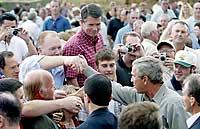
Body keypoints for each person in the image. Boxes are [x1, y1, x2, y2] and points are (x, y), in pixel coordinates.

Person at [81, 56, 189, 129]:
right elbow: (113, 87)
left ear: (145, 79)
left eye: (133, 76)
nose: (131, 80)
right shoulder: (138, 95)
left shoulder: (174, 104)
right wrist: (86, 69)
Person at [19, 31, 84, 89]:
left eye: (59, 47)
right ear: (40, 50)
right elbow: (40, 62)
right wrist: (67, 59)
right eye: (52, 49)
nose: (57, 52)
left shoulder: (60, 68)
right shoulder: (30, 62)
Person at [63, 3, 104, 87]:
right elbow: (71, 80)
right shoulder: (73, 46)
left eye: (98, 24)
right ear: (81, 22)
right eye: (91, 25)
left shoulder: (99, 37)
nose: (95, 29)